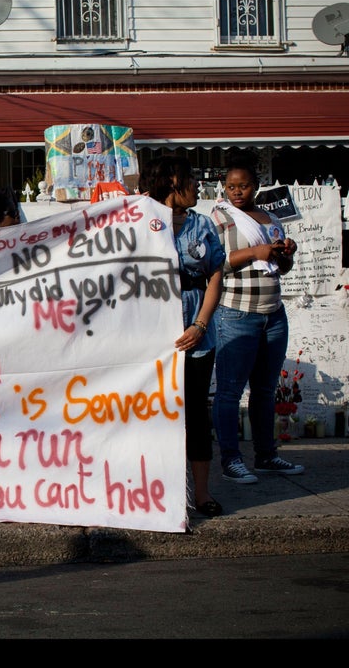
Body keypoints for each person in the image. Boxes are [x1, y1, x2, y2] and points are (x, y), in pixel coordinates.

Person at [141, 156, 226, 517]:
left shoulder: (202, 225)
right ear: (172, 181)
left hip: (195, 335)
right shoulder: (140, 222)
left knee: (195, 414)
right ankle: (159, 492)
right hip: (151, 337)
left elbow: (216, 274)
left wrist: (200, 324)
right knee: (155, 415)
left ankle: (202, 494)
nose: (196, 185)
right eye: (191, 178)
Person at [210, 157, 304, 484]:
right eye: (231, 186)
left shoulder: (270, 217)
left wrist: (285, 252)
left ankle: (266, 456)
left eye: (244, 186)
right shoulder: (221, 217)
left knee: (265, 390)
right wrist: (255, 252)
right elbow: (216, 263)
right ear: (224, 187)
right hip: (237, 313)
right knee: (229, 392)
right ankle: (231, 461)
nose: (237, 192)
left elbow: (283, 268)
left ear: (256, 186)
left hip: (273, 314)